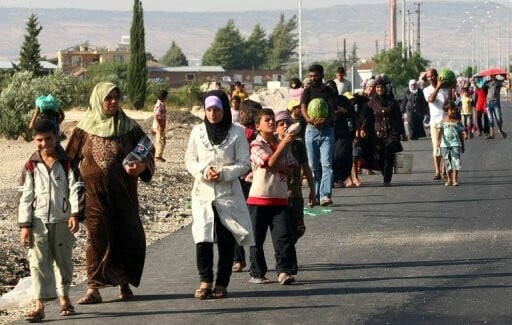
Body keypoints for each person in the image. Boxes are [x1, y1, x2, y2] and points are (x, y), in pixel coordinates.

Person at [66, 81, 155, 304]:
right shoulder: (83, 129)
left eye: (116, 97)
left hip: (124, 194)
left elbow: (147, 150)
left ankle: (124, 283)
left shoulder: (129, 126)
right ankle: (93, 288)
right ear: (98, 100)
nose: (113, 101)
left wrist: (142, 166)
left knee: (128, 236)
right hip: (93, 196)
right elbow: (68, 162)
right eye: (108, 97)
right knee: (96, 239)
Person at [184, 90, 254, 299]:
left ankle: (222, 283)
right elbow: (190, 159)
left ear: (224, 109)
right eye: (209, 109)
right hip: (203, 193)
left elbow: (244, 163)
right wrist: (204, 171)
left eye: (216, 109)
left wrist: (223, 173)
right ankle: (205, 280)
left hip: (227, 194)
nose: (212, 113)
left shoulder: (237, 133)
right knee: (202, 237)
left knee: (226, 239)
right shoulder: (197, 132)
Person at [18, 118, 85, 322]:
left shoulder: (67, 164)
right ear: (34, 140)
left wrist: (75, 214)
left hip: (62, 220)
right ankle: (40, 305)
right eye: (39, 140)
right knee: (38, 262)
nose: (44, 144)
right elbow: (25, 196)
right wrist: (25, 225)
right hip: (37, 222)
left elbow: (77, 190)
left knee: (63, 261)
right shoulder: (30, 165)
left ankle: (64, 298)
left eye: (48, 138)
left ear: (56, 137)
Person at [247, 108, 298, 285]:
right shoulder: (256, 145)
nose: (271, 123)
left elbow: (291, 169)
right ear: (258, 126)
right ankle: (257, 272)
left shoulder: (280, 142)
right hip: (259, 198)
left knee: (283, 237)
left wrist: (279, 162)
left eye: (272, 120)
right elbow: (269, 163)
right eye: (267, 120)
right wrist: (283, 146)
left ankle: (284, 272)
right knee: (256, 239)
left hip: (280, 198)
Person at [274, 110, 315, 243]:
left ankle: (288, 252)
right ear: (276, 127)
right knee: (283, 231)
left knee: (298, 228)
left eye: (287, 123)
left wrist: (313, 191)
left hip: (295, 194)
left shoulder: (298, 145)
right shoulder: (272, 145)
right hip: (278, 194)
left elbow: (306, 168)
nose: (285, 126)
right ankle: (287, 259)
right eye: (281, 124)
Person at [232, 99, 262, 273]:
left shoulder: (253, 134)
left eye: (244, 113)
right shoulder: (238, 132)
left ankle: (243, 260)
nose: (241, 115)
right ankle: (241, 259)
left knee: (246, 222)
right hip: (240, 180)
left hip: (251, 181)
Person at [300, 64, 337, 206]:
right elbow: (303, 107)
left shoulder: (329, 91)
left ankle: (325, 195)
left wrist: (326, 120)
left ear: (321, 75)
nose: (313, 78)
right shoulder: (307, 91)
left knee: (327, 164)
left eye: (315, 75)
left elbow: (332, 110)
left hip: (327, 131)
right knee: (313, 166)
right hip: (311, 131)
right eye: (311, 76)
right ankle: (314, 196)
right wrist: (308, 118)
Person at [366, 78, 407, 186]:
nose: (380, 89)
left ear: (385, 88)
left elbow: (399, 117)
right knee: (379, 156)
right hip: (377, 134)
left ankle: (387, 179)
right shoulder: (371, 102)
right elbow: (367, 118)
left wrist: (403, 133)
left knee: (389, 152)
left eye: (382, 87)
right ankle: (385, 174)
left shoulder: (392, 102)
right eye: (378, 87)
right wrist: (362, 129)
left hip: (392, 132)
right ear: (375, 88)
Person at [423, 68, 451, 180]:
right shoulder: (426, 90)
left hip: (446, 121)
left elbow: (449, 104)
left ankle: (444, 170)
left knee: (446, 146)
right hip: (434, 122)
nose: (430, 78)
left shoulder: (446, 89)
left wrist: (451, 88)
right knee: (436, 147)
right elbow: (431, 99)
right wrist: (438, 87)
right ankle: (437, 171)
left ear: (437, 75)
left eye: (432, 76)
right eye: (428, 76)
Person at [436, 100, 465, 186]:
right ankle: (449, 179)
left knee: (456, 162)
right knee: (447, 162)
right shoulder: (442, 122)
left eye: (454, 109)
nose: (453, 111)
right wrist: (438, 142)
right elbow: (439, 132)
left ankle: (455, 179)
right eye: (451, 109)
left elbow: (461, 134)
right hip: (445, 145)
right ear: (446, 111)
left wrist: (462, 145)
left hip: (455, 144)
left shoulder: (457, 122)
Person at [484, 74, 507, 139]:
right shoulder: (487, 82)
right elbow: (481, 88)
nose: (492, 76)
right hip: (488, 103)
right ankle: (492, 134)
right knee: (490, 119)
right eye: (491, 75)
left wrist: (505, 77)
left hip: (496, 102)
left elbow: (506, 84)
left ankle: (500, 130)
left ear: (495, 75)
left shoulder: (499, 82)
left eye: (493, 75)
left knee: (499, 119)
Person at [152, 89, 168, 162]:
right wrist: (159, 125)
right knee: (160, 141)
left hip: (161, 126)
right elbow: (156, 115)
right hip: (158, 126)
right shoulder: (159, 105)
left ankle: (159, 155)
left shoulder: (162, 104)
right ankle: (157, 156)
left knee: (162, 140)